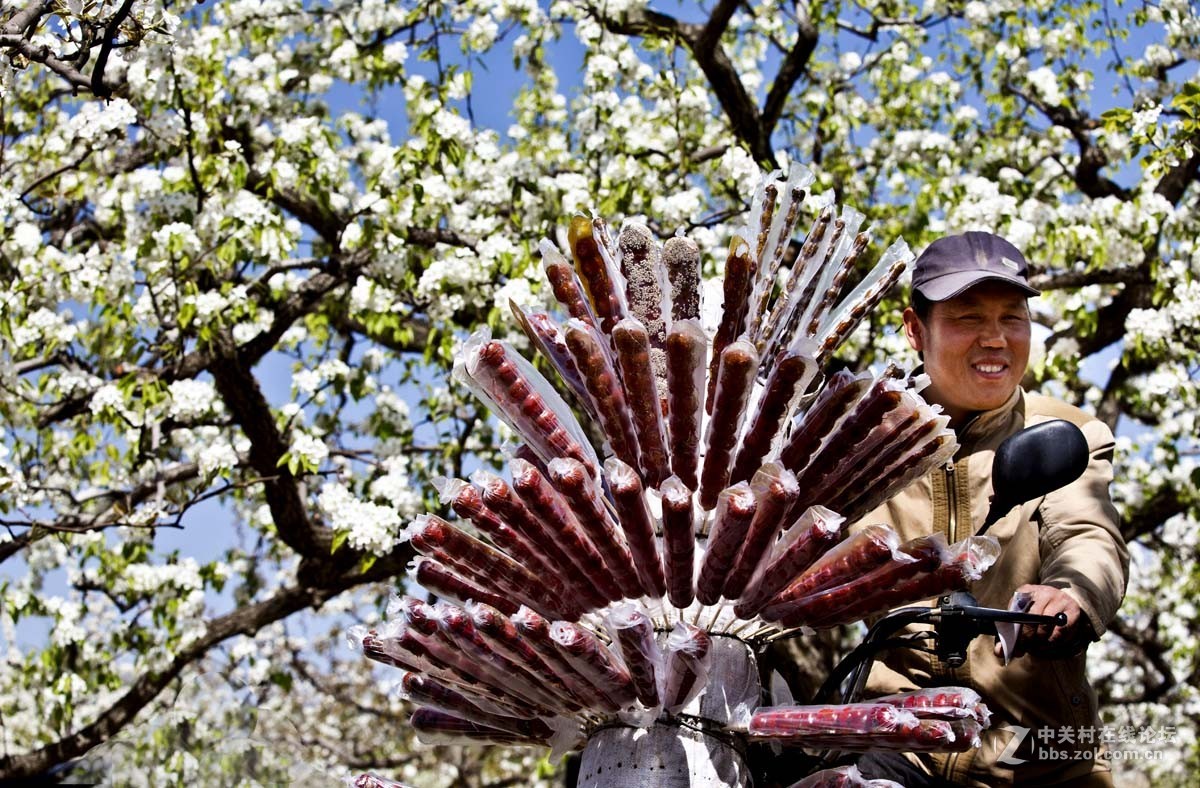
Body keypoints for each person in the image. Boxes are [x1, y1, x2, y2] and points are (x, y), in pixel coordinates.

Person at [852, 232, 1130, 787]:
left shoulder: (1067, 431)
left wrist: (1073, 597)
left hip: (1035, 756)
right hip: (899, 739)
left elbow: (1087, 533)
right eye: (968, 318)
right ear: (915, 330)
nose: (995, 339)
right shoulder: (861, 439)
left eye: (1013, 317)